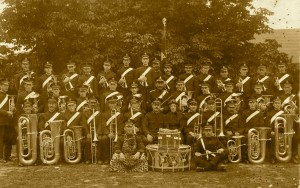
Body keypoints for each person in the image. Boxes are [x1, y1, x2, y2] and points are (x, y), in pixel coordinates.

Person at [0, 78, 15, 163]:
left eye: (7, 85)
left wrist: (14, 109)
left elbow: (11, 108)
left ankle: (7, 156)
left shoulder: (8, 96)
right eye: (5, 85)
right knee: (0, 139)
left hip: (9, 120)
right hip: (1, 120)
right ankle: (0, 158)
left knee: (9, 138)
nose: (7, 87)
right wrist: (6, 112)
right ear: (0, 85)